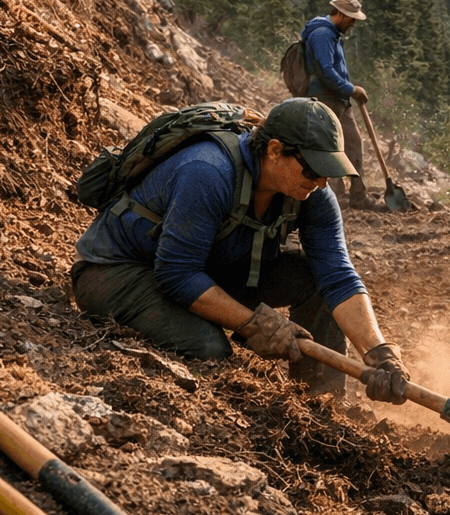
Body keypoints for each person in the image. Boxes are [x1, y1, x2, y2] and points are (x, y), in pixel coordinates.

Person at [70, 97, 408, 403]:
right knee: (208, 348)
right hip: (118, 272)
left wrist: (379, 353)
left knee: (314, 278)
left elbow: (337, 276)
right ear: (274, 150)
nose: (321, 182)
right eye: (313, 169)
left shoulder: (312, 194)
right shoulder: (207, 171)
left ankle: (322, 402)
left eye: (328, 172)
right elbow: (176, 273)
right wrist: (254, 324)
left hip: (205, 268)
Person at [302, 0, 380, 211]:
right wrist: (351, 89)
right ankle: (340, 198)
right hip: (325, 99)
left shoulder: (333, 35)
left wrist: (348, 90)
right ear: (340, 14)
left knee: (351, 144)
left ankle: (354, 194)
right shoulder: (322, 35)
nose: (354, 22)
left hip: (337, 98)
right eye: (351, 18)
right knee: (336, 146)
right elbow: (326, 71)